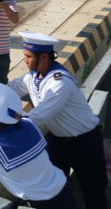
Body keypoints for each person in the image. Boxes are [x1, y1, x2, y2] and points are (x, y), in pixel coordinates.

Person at [8, 31, 108, 209]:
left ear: (44, 57)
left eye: (28, 57)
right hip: (59, 141)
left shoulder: (60, 83)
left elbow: (38, 117)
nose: (25, 60)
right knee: (52, 189)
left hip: (85, 142)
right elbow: (11, 89)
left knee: (93, 191)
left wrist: (4, 121)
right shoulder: (32, 76)